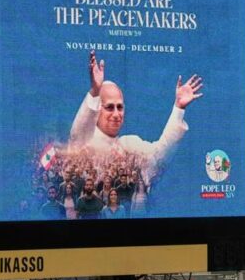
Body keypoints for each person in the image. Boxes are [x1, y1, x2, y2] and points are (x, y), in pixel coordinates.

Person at [68, 50, 204, 182]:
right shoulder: (85, 143)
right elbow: (77, 135)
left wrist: (178, 107)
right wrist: (95, 91)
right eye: (109, 107)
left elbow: (159, 156)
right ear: (97, 110)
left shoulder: (130, 144)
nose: (116, 114)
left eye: (120, 107)